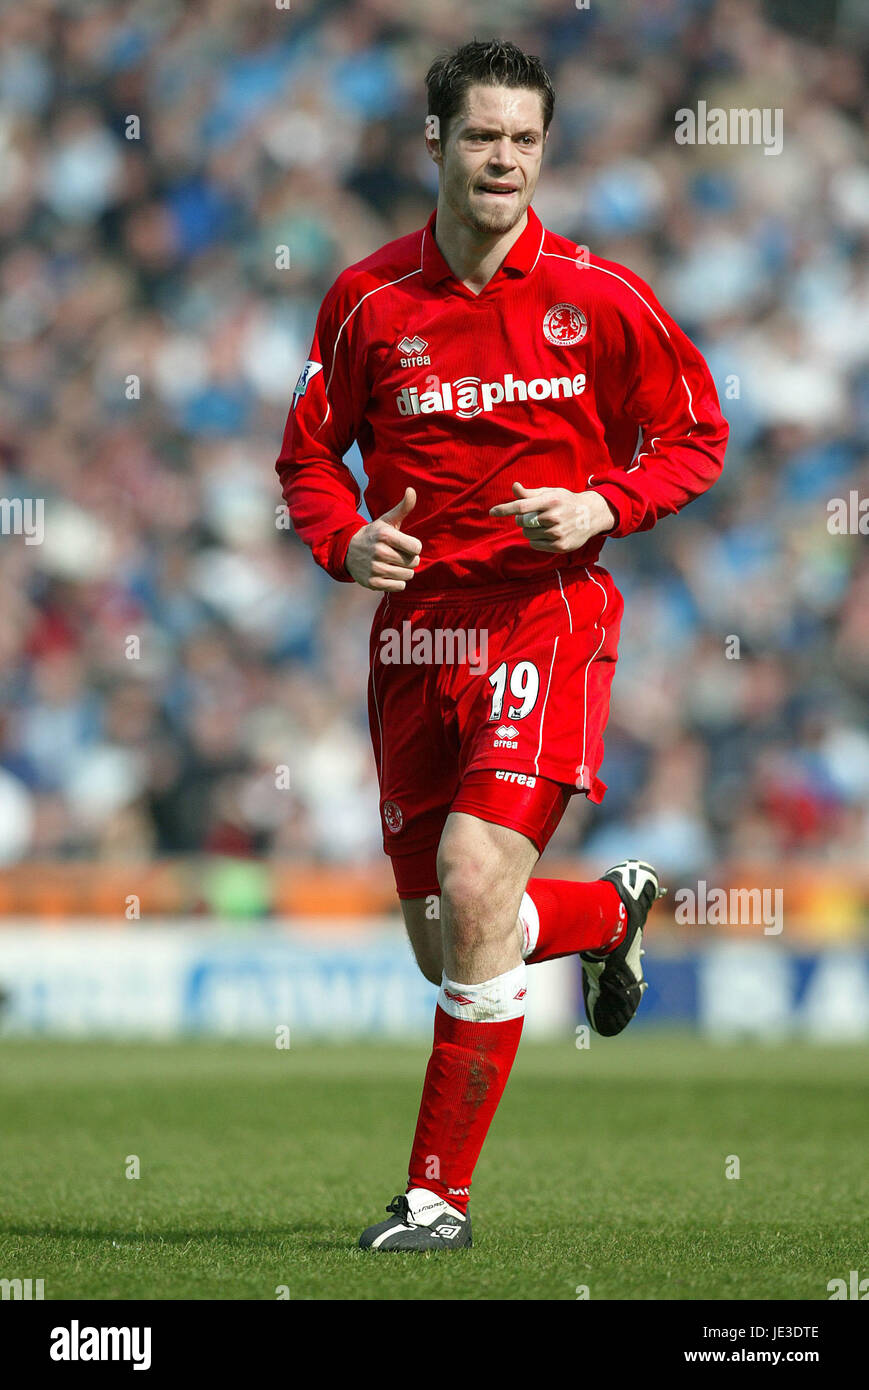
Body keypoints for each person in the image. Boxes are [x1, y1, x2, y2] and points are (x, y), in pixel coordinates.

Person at [276, 38, 728, 1251]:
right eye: (482, 136)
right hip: (414, 643)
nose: (504, 159)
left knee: (477, 887)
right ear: (433, 143)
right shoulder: (368, 299)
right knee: (448, 934)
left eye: (524, 140)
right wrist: (341, 541)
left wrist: (602, 505)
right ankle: (607, 912)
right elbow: (308, 456)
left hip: (546, 616)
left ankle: (434, 1200)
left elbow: (693, 434)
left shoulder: (599, 295)